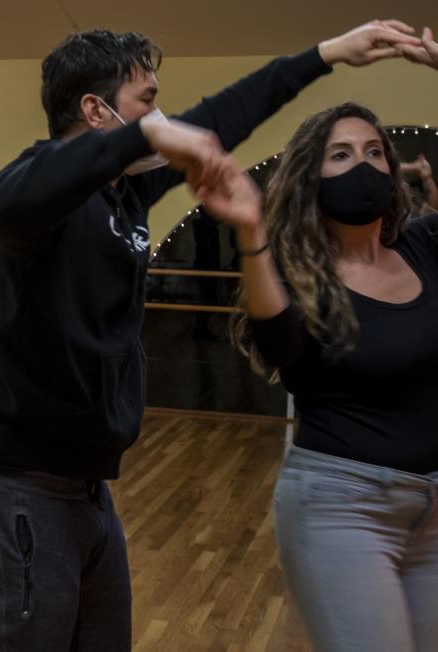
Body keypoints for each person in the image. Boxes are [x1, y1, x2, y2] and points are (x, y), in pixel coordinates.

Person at [0, 20, 422, 651]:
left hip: (83, 489)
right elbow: (10, 194)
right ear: (95, 110)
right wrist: (149, 132)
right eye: (148, 102)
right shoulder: (36, 194)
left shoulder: (126, 192)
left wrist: (327, 55)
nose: (162, 115)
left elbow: (220, 118)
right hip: (10, 490)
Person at [195, 28, 438, 652]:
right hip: (343, 506)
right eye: (341, 156)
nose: (365, 165)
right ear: (311, 177)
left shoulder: (425, 245)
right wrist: (250, 231)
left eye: (374, 152)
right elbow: (283, 350)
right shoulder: (294, 269)